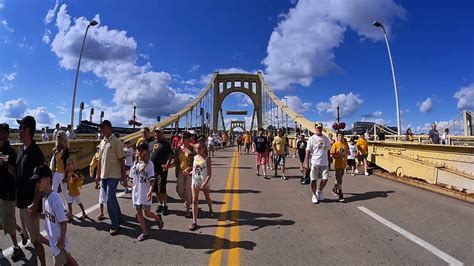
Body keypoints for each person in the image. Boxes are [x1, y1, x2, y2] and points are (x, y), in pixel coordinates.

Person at [30, 165, 78, 266]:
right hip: (54, 242)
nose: (37, 183)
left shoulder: (54, 199)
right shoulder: (47, 197)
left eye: (39, 180)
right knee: (68, 261)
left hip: (59, 243)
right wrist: (39, 215)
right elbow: (51, 216)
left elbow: (63, 222)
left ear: (47, 180)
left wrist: (61, 241)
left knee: (65, 260)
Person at [16, 116, 47, 265]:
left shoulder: (36, 153)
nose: (18, 130)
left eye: (21, 127)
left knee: (35, 240)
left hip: (30, 205)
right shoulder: (21, 150)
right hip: (21, 202)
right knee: (31, 236)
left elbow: (40, 182)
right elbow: (18, 173)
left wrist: (35, 205)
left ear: (27, 130)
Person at [95, 120, 127, 236]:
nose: (102, 131)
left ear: (109, 128)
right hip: (104, 175)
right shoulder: (102, 142)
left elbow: (122, 161)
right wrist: (98, 174)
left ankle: (115, 225)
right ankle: (119, 218)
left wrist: (124, 178)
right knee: (111, 197)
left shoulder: (116, 142)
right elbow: (99, 160)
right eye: (101, 129)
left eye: (103, 128)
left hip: (114, 175)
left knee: (109, 199)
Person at [0, 123, 25, 262]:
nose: (1, 135)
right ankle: (22, 232)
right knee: (3, 221)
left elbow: (15, 172)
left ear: (8, 134)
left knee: (9, 222)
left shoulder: (10, 151)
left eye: (3, 133)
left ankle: (17, 248)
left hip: (8, 193)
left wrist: (4, 164)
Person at [131, 142, 164, 241]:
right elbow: (132, 178)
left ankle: (157, 218)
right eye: (138, 150)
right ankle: (145, 232)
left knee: (147, 213)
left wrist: (150, 191)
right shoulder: (135, 163)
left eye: (141, 150)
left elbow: (152, 180)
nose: (138, 152)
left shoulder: (150, 164)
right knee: (138, 212)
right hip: (136, 192)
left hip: (144, 192)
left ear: (146, 151)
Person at [166, 132, 194, 218]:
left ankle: (188, 209)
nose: (182, 140)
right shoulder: (178, 149)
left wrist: (189, 168)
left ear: (189, 139)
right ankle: (187, 200)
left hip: (190, 173)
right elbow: (176, 162)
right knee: (180, 190)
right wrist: (168, 166)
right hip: (181, 172)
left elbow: (197, 162)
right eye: (181, 138)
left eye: (184, 138)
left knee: (188, 191)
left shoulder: (193, 149)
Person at [148, 127, 174, 215]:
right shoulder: (150, 143)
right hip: (152, 170)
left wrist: (167, 164)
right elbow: (148, 155)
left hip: (162, 169)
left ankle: (165, 205)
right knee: (155, 189)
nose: (157, 134)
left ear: (162, 134)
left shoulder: (166, 144)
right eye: (155, 133)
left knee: (161, 189)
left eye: (159, 133)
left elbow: (170, 155)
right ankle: (160, 204)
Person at [189, 142, 213, 231]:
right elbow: (195, 170)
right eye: (196, 149)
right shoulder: (195, 157)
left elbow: (209, 174)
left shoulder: (207, 158)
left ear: (204, 149)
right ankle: (194, 222)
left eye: (199, 148)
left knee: (207, 198)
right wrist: (189, 172)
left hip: (204, 182)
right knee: (194, 200)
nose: (197, 150)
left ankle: (210, 209)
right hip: (195, 180)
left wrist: (205, 183)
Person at [305, 122, 331, 204]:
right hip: (315, 162)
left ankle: (319, 191)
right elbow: (308, 152)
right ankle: (314, 195)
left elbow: (328, 151)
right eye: (318, 128)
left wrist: (329, 161)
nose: (319, 129)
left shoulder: (326, 139)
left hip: (324, 163)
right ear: (315, 128)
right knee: (313, 180)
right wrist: (306, 163)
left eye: (320, 128)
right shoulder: (311, 139)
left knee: (325, 179)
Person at [50, 130, 69, 207]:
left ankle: (68, 209)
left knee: (64, 193)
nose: (58, 139)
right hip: (56, 173)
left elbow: (67, 164)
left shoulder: (66, 150)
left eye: (60, 137)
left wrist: (65, 176)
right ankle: (53, 207)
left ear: (63, 138)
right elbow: (54, 161)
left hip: (63, 173)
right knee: (53, 191)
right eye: (57, 137)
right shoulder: (56, 149)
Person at [330, 132, 349, 202]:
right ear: (337, 137)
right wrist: (339, 156)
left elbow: (347, 151)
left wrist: (348, 153)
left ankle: (334, 189)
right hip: (337, 164)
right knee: (340, 180)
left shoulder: (345, 144)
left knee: (338, 179)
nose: (341, 137)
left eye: (342, 135)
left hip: (343, 164)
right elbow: (331, 155)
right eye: (339, 135)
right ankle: (340, 194)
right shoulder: (335, 144)